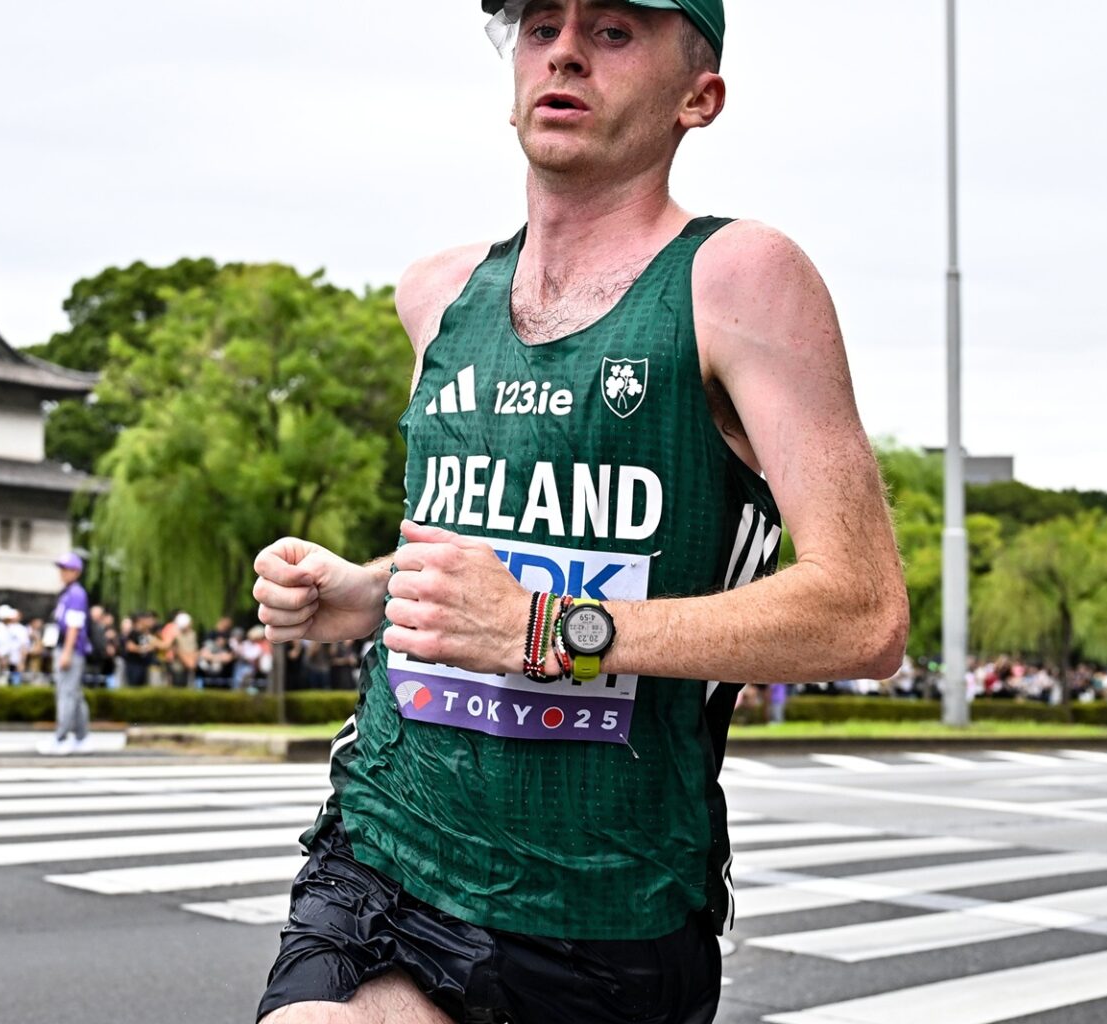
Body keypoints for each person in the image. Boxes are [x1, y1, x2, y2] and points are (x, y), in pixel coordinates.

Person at [249, 4, 908, 1021]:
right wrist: (362, 592)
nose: (561, 50)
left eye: (612, 30)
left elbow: (863, 613)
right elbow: (519, 544)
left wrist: (549, 633)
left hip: (604, 908)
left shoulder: (740, 279)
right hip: (384, 850)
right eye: (540, 23)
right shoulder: (438, 294)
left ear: (701, 96)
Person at [41, 552, 92, 755]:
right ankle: (82, 737)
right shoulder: (67, 592)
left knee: (66, 695)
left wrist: (67, 653)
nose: (62, 573)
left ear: (76, 572)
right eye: (61, 568)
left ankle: (61, 737)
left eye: (66, 569)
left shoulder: (76, 594)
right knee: (74, 695)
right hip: (65, 647)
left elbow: (74, 626)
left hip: (70, 649)